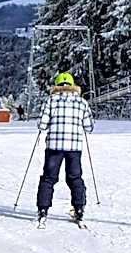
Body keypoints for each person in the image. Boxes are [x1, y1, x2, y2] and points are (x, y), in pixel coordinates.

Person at [36, 72, 94, 223]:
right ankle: (79, 208)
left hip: (54, 146)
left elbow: (42, 125)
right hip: (74, 147)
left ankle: (43, 209)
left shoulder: (51, 101)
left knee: (48, 178)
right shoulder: (82, 103)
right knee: (75, 178)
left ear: (56, 85)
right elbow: (89, 127)